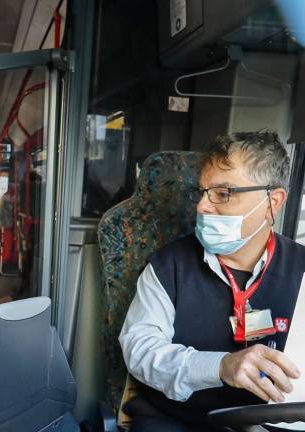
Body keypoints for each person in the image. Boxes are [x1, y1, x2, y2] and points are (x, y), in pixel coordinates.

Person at [119, 132, 303, 431]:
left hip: (273, 423)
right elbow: (141, 351)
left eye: (223, 193)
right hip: (177, 418)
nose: (202, 206)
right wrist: (221, 366)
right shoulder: (168, 266)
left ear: (273, 202)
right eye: (202, 192)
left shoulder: (302, 269)